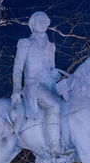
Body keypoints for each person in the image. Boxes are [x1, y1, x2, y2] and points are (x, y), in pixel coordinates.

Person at [11, 11, 63, 154]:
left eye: (45, 20)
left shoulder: (51, 46)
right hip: (34, 85)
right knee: (55, 105)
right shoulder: (25, 43)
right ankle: (54, 148)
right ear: (32, 24)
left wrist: (56, 75)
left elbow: (53, 70)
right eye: (39, 20)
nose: (43, 23)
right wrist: (16, 90)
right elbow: (18, 68)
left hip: (51, 85)